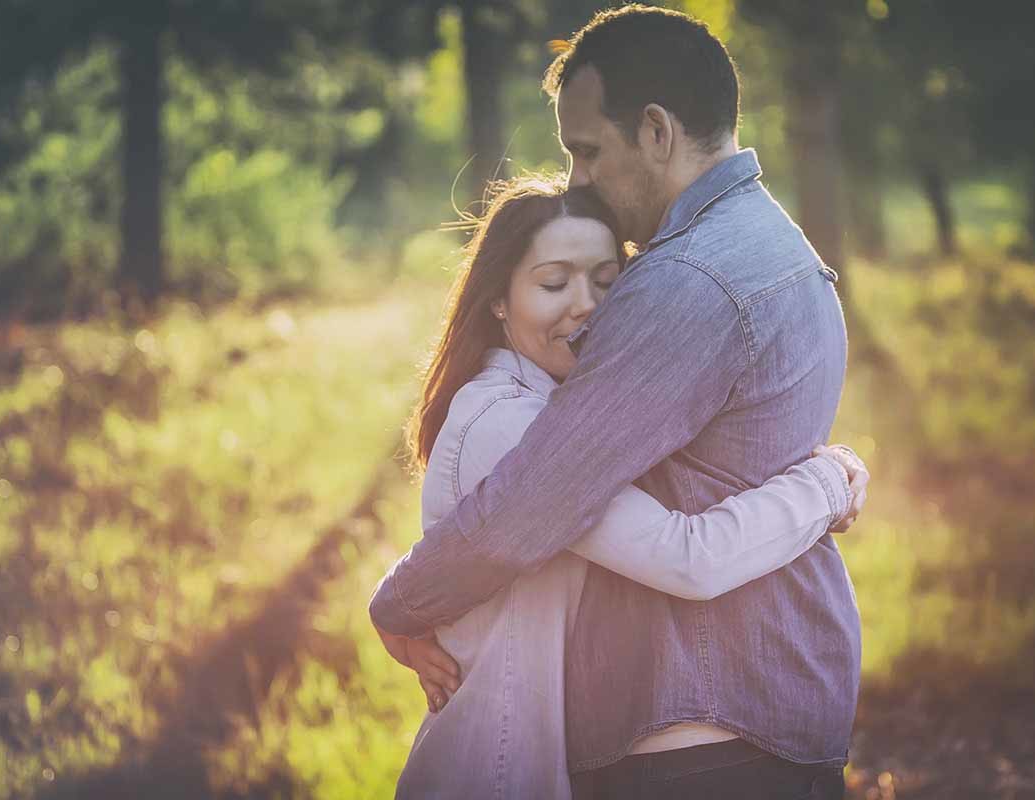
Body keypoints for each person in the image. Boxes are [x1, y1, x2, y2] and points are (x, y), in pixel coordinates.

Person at [372, 5, 867, 798]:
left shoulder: (684, 281)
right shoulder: (782, 248)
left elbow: (532, 506)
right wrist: (831, 482)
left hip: (697, 727)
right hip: (774, 698)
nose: (577, 180)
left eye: (587, 150)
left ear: (659, 133)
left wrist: (398, 603)